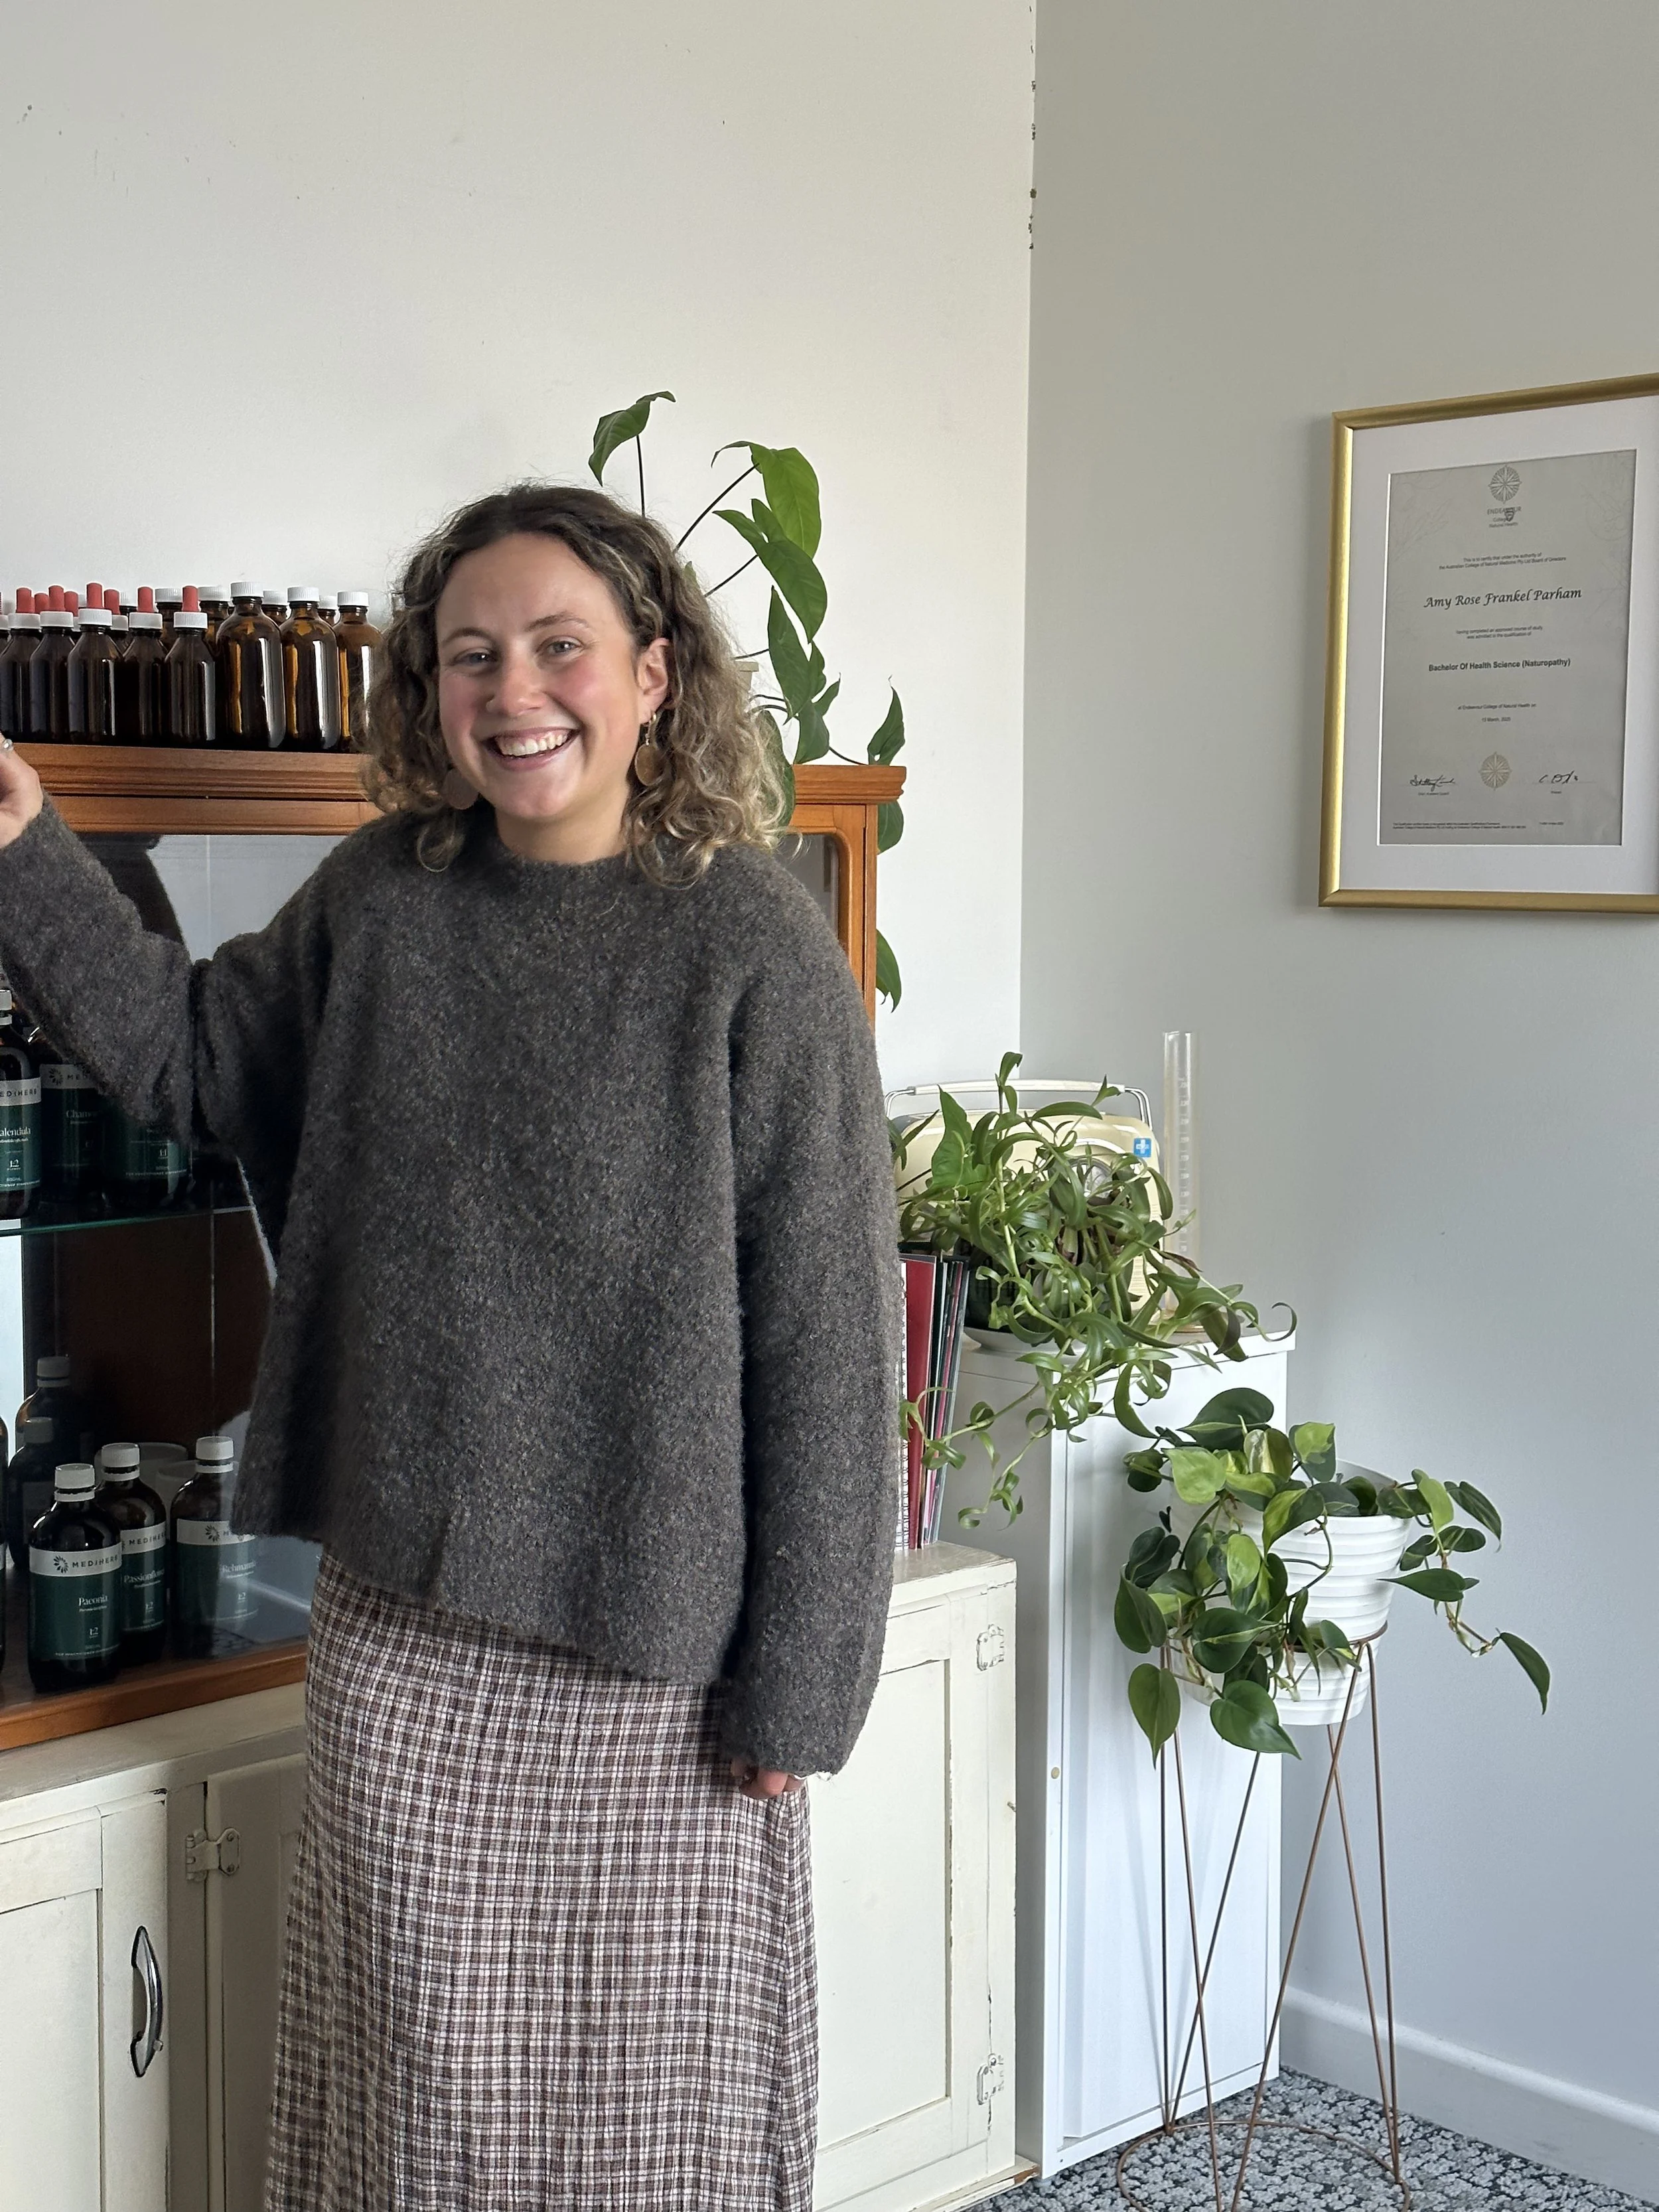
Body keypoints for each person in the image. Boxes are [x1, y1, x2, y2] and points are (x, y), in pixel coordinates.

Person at [0, 484, 902, 2211]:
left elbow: (825, 1340)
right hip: (401, 1637)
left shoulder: (751, 946)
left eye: (559, 647)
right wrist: (28, 848)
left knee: (647, 2110)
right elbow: (187, 1057)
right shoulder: (385, 901)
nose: (514, 691)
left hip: (655, 1653)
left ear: (651, 674)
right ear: (432, 687)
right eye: (471, 653)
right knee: (412, 2107)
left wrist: (807, 1673)